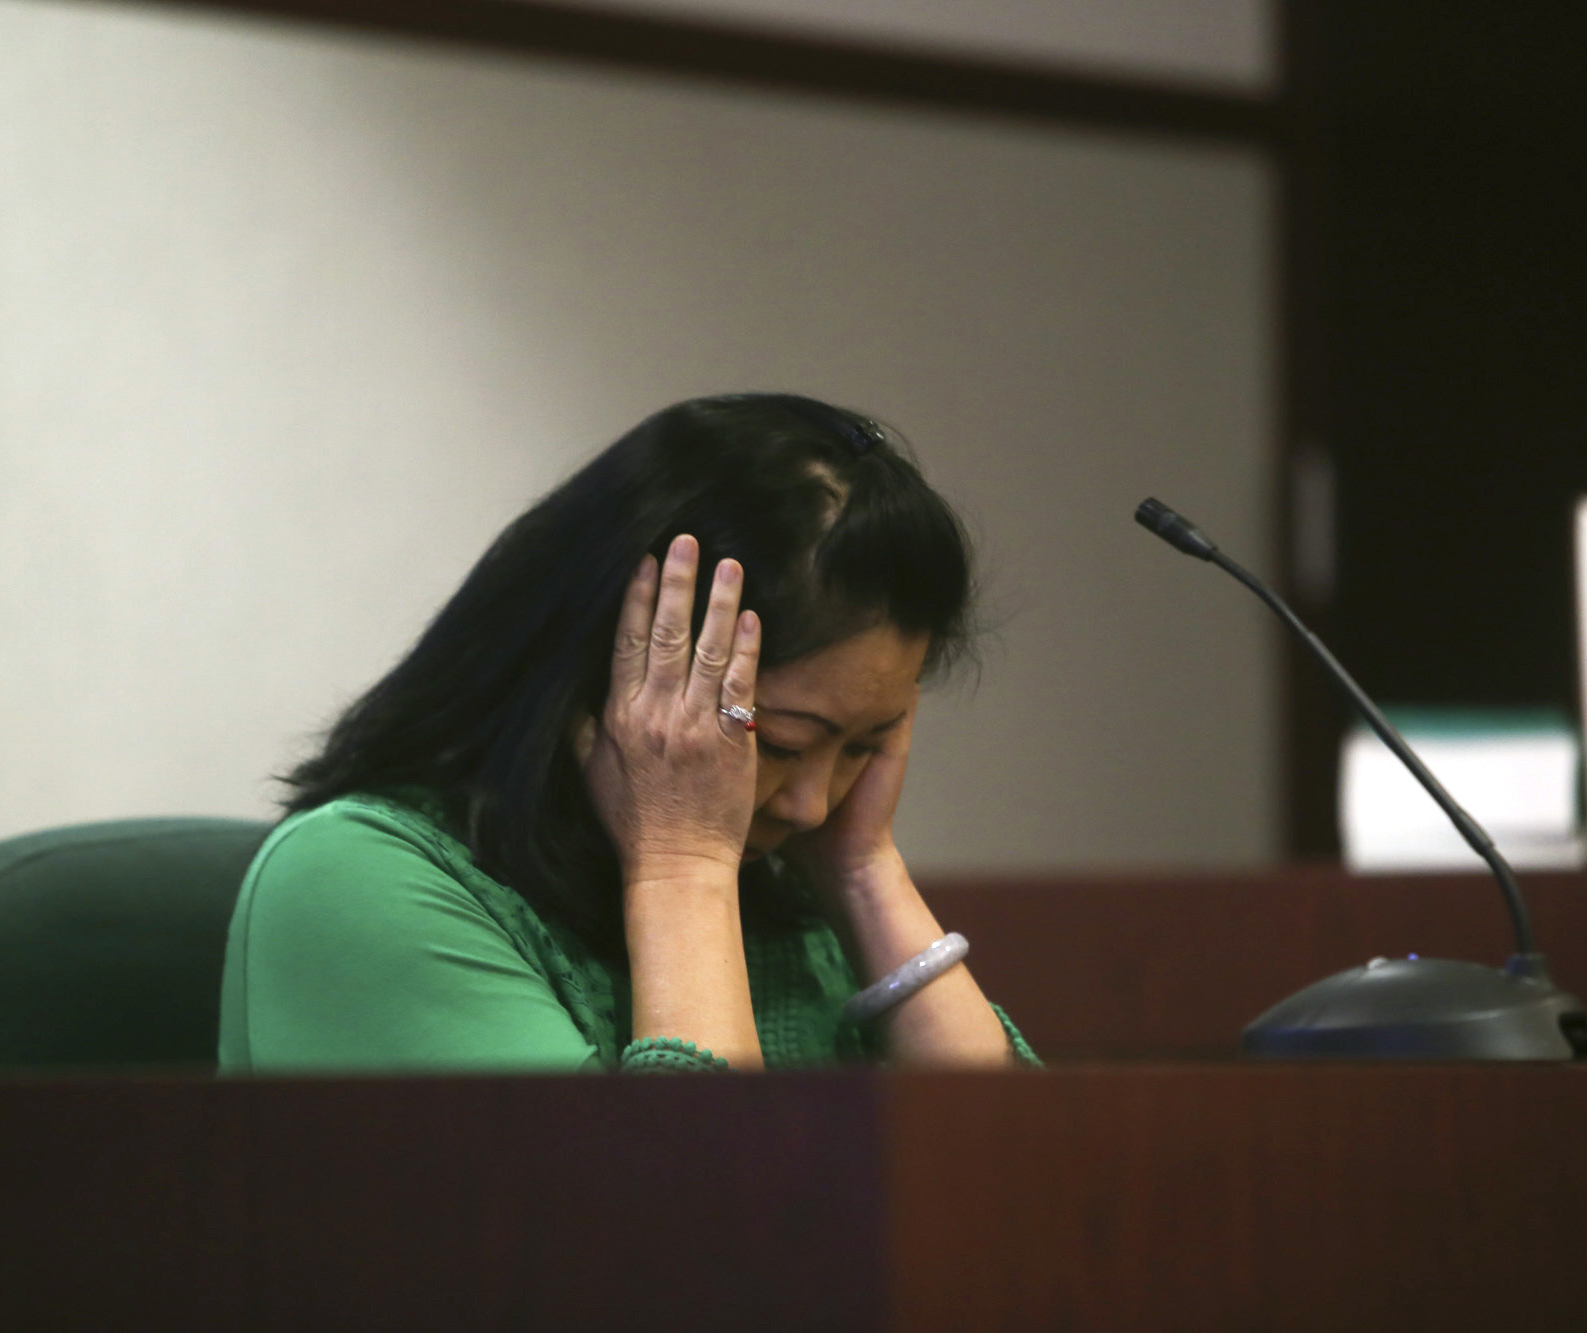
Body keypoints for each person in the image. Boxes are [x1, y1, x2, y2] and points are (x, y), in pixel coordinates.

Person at [218, 393, 1038, 1073]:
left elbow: (1016, 1188)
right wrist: (681, 865)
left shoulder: (781, 888)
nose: (814, 805)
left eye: (864, 744)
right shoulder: (357, 878)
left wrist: (863, 875)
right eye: (782, 742)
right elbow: (671, 1232)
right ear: (609, 678)